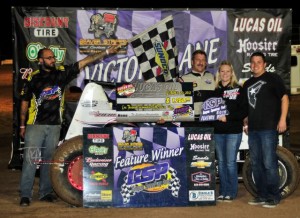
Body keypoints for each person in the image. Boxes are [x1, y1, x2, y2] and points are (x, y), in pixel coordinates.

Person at [19, 45, 121, 207]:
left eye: (53, 57)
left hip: (54, 126)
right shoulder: (33, 78)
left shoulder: (61, 74)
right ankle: (25, 194)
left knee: (50, 161)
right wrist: (22, 126)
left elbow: (84, 62)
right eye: (49, 58)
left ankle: (45, 192)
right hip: (35, 125)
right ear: (40, 60)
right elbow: (24, 103)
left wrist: (107, 52)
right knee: (30, 160)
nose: (53, 60)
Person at [243, 51, 289, 208]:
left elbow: (284, 98)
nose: (255, 65)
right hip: (253, 130)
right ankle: (261, 195)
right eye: (253, 62)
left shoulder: (273, 79)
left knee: (269, 163)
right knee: (256, 163)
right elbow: (247, 107)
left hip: (269, 129)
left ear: (264, 64)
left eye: (259, 62)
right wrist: (246, 122)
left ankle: (274, 196)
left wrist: (282, 119)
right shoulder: (247, 84)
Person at [213, 60, 247, 202]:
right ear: (219, 73)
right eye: (222, 71)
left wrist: (228, 117)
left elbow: (244, 111)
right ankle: (223, 191)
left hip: (233, 131)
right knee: (221, 162)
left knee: (230, 162)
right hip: (218, 132)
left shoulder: (239, 89)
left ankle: (231, 192)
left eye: (228, 71)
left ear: (232, 73)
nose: (225, 74)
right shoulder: (215, 91)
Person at [178, 49, 215, 127]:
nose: (200, 63)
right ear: (192, 62)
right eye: (198, 60)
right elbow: (175, 102)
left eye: (203, 60)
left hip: (209, 121)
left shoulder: (213, 78)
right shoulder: (182, 79)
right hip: (190, 122)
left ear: (206, 63)